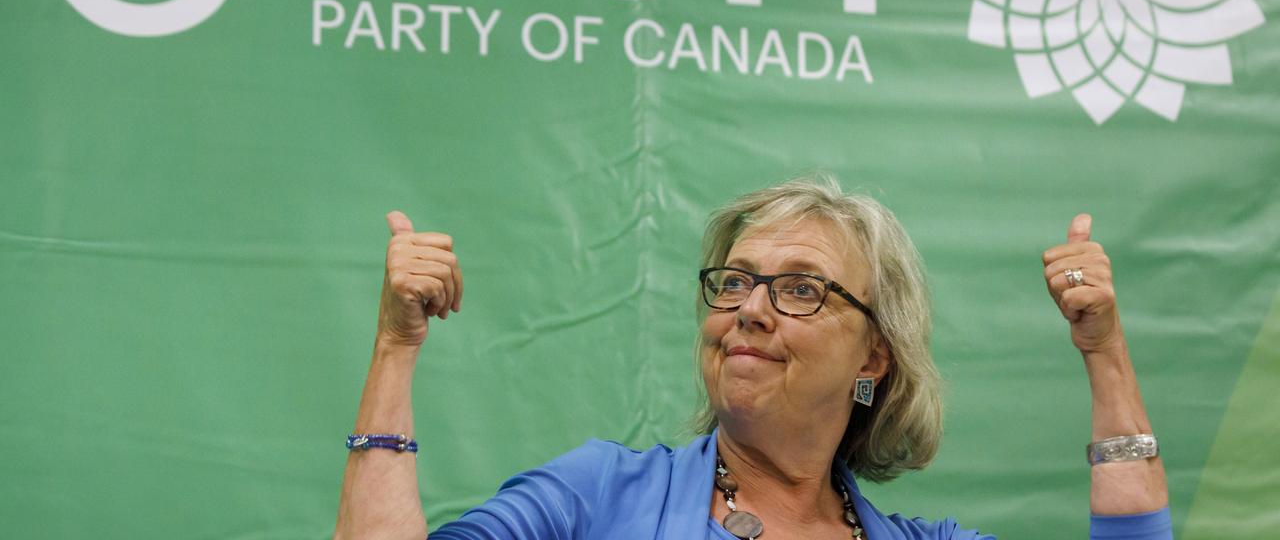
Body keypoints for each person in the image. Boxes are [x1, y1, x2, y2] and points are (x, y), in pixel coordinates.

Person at [334, 177, 1172, 539]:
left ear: (874, 354)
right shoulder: (594, 498)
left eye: (802, 289)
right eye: (735, 282)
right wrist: (396, 348)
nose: (750, 310)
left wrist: (1104, 356)